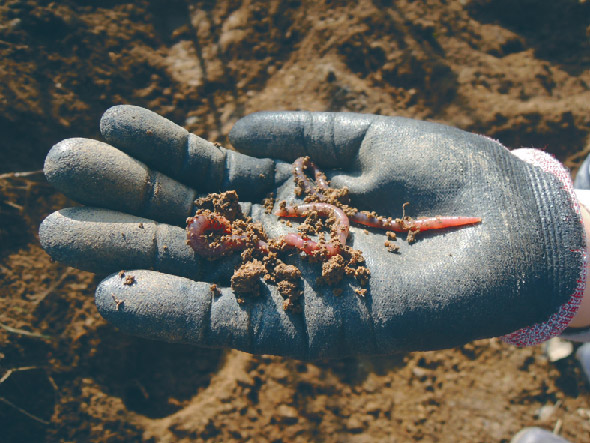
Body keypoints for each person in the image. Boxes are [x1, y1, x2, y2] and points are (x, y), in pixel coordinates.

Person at [40, 105, 590, 442]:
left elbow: (333, 225)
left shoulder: (312, 223)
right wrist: (574, 230)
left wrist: (554, 231)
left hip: (325, 223)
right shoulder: (283, 227)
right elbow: (322, 226)